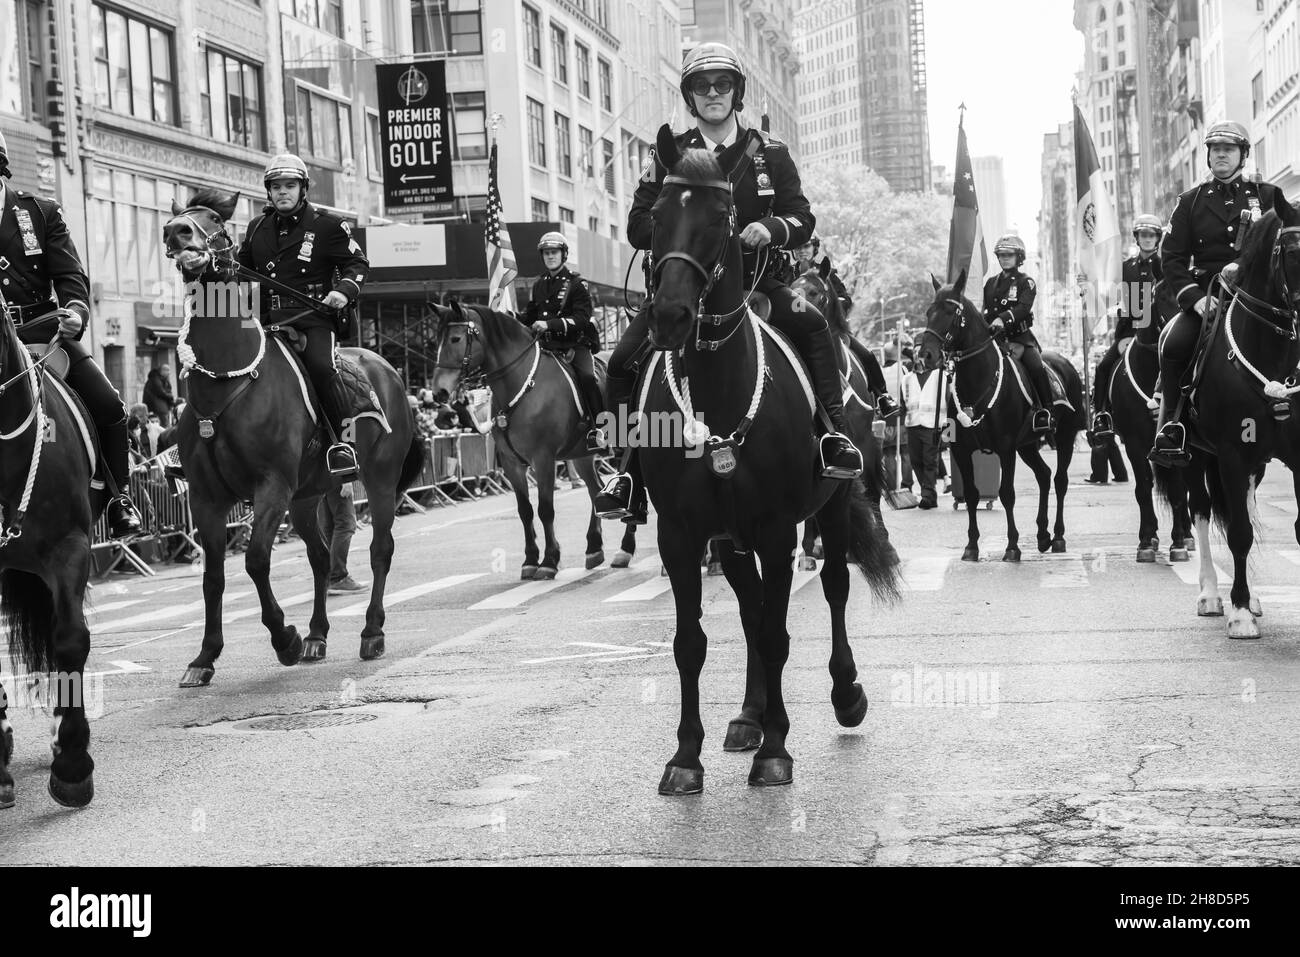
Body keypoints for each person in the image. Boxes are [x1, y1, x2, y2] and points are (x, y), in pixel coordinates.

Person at [594, 42, 862, 522]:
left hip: (758, 285)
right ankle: (627, 469)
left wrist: (771, 228)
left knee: (815, 327)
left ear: (736, 92)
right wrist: (676, 224)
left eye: (722, 84)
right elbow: (637, 226)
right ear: (690, 95)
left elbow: (803, 217)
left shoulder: (769, 154)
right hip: (684, 294)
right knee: (620, 362)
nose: (712, 92)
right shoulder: (670, 153)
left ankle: (832, 437)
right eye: (702, 85)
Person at [0, 129, 142, 537]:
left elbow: (70, 277)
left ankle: (119, 498)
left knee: (110, 405)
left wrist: (76, 313)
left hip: (42, 334)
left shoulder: (40, 212)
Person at [1150, 120, 1292, 466]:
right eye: (1215, 149)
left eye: (1228, 149)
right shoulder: (1190, 202)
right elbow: (1172, 259)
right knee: (1174, 343)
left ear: (1243, 155)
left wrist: (1243, 267)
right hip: (1209, 298)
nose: (1221, 155)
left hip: (1261, 299)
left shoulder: (1269, 196)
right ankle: (1173, 426)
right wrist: (1195, 298)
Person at [238, 154, 369, 479]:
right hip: (265, 320)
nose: (283, 192)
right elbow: (242, 275)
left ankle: (344, 444)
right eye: (277, 186)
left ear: (303, 188)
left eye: (290, 185)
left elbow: (358, 264)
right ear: (269, 192)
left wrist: (343, 291)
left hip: (312, 316)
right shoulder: (256, 228)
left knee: (324, 369)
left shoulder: (328, 224)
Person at [523, 231, 605, 453]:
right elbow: (530, 317)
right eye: (546, 253)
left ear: (563, 254)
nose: (550, 257)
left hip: (574, 345)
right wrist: (508, 318)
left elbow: (580, 318)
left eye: (554, 252)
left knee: (588, 378)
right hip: (547, 347)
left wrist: (549, 325)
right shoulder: (538, 285)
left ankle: (600, 429)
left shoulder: (577, 283)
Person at [1092, 213, 1164, 441]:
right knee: (1104, 367)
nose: (1147, 239)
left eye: (1152, 235)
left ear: (1157, 238)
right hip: (1130, 331)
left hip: (1160, 332)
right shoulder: (1125, 267)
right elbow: (1116, 297)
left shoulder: (1166, 264)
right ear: (1137, 237)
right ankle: (1102, 415)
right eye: (1143, 235)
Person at [983, 234, 1055, 434]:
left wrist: (1002, 319)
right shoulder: (990, 283)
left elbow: (1023, 308)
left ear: (1019, 257)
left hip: (1021, 340)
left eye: (1009, 254)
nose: (1004, 258)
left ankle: (1046, 412)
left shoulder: (1026, 282)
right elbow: (985, 311)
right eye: (1001, 255)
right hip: (996, 341)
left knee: (1036, 368)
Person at [902, 351, 945, 508]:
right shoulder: (906, 378)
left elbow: (947, 398)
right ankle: (930, 495)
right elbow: (903, 403)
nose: (917, 357)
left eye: (920, 353)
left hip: (932, 425)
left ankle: (927, 494)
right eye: (915, 353)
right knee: (915, 461)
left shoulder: (938, 375)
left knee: (929, 460)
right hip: (912, 424)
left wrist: (950, 432)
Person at [319, 482, 364, 594]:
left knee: (330, 527)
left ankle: (330, 577)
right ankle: (338, 577)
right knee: (345, 525)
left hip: (321, 478)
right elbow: (339, 463)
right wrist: (346, 480)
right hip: (336, 476)